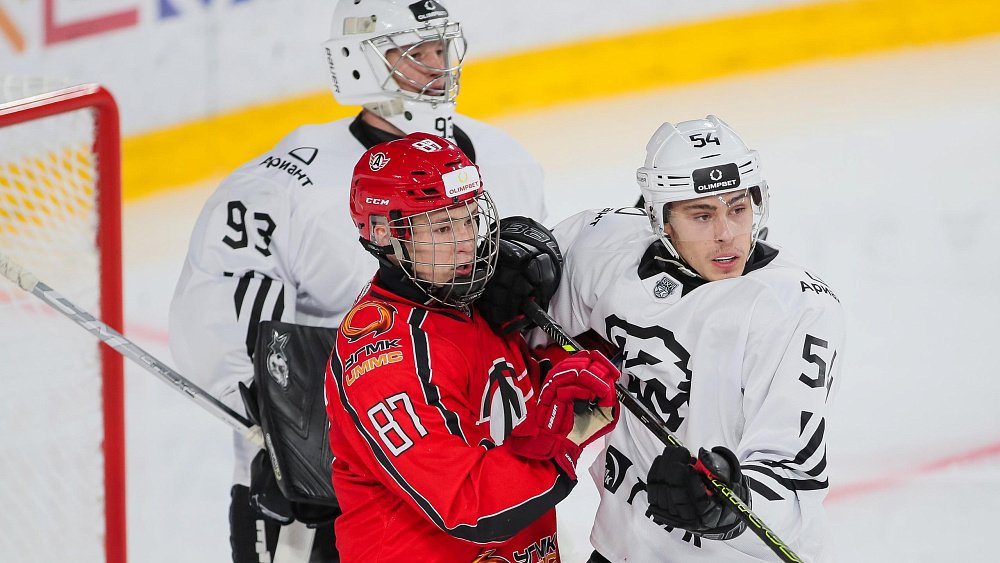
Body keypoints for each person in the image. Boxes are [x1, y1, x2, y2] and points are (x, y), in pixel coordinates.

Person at [168, 0, 545, 560]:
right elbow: (224, 318)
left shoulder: (504, 161)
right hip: (314, 478)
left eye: (442, 48)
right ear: (358, 63)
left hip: (462, 473)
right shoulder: (288, 183)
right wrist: (289, 443)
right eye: (416, 53)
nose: (439, 65)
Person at [531, 115, 846, 562]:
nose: (727, 233)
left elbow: (793, 477)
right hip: (618, 548)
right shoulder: (604, 248)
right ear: (660, 219)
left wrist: (733, 505)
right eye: (702, 215)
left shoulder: (791, 308)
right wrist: (510, 270)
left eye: (738, 208)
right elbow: (520, 328)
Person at [324, 132, 619, 561]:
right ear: (385, 234)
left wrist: (584, 359)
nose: (466, 241)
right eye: (442, 227)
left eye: (467, 219)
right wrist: (569, 429)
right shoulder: (384, 360)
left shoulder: (467, 300)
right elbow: (472, 507)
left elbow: (510, 399)